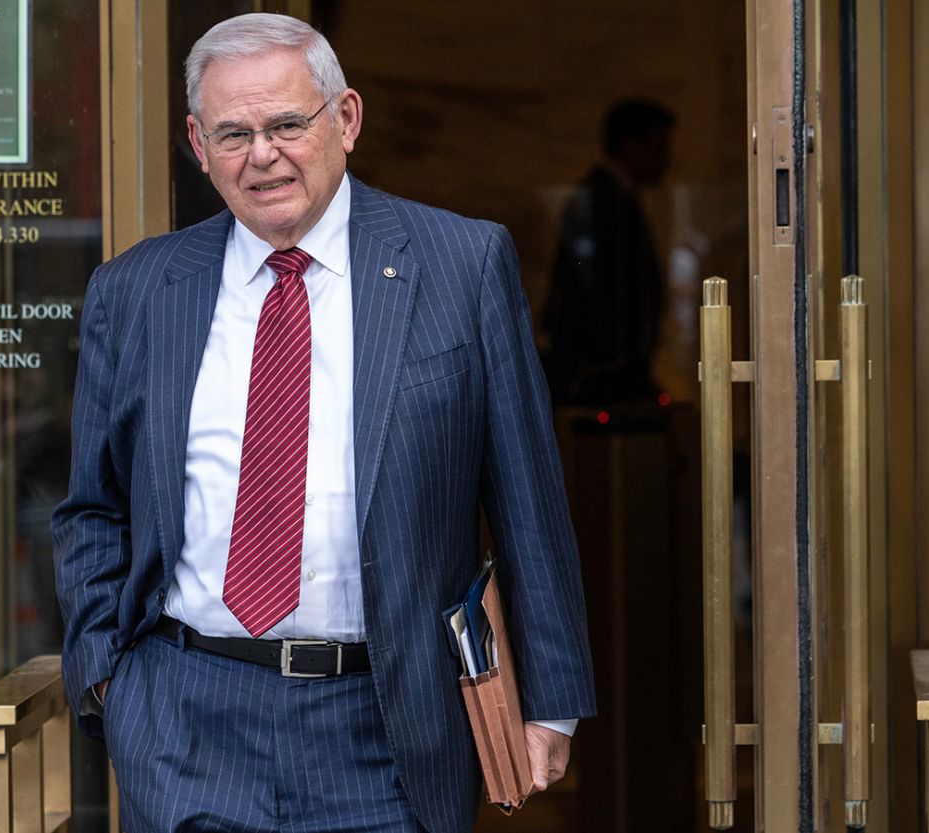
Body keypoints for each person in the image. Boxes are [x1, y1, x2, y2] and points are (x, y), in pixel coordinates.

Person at [53, 13, 594, 833]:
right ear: (197, 146)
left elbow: (528, 502)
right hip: (187, 718)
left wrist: (552, 700)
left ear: (345, 119)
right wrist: (110, 682)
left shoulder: (460, 263)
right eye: (232, 133)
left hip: (388, 720)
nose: (261, 154)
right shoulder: (134, 292)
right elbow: (93, 507)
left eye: (286, 124)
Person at [542, 99, 674, 407]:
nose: (667, 160)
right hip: (603, 381)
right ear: (629, 144)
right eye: (659, 147)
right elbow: (600, 296)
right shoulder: (603, 201)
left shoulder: (613, 199)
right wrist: (618, 369)